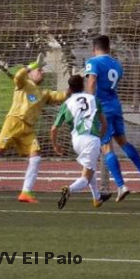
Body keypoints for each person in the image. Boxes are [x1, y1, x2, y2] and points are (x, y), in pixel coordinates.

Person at [0, 54, 69, 203]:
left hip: (28, 130)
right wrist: (32, 65)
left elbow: (61, 96)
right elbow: (18, 76)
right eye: (39, 70)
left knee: (36, 157)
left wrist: (74, 86)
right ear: (32, 73)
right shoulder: (23, 84)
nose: (42, 72)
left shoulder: (44, 93)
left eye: (42, 70)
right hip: (13, 123)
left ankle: (26, 192)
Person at [84, 35, 140, 202]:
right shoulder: (117, 64)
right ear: (109, 48)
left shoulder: (93, 62)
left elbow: (92, 81)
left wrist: (88, 104)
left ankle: (121, 186)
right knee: (123, 142)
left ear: (95, 49)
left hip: (102, 110)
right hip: (116, 106)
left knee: (106, 148)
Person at [51, 75, 111, 210]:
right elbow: (104, 124)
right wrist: (99, 139)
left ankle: (97, 198)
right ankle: (69, 189)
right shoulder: (93, 99)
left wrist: (56, 145)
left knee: (90, 169)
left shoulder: (67, 103)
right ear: (83, 86)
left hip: (76, 140)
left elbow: (54, 128)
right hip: (91, 138)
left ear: (70, 88)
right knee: (86, 177)